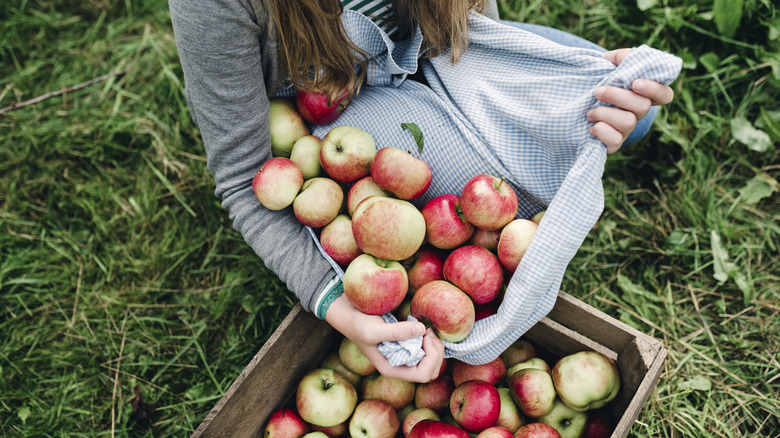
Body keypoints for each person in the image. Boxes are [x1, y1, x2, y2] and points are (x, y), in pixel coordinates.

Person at [168, 0, 675, 383]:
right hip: (333, 107)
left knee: (631, 111)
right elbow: (242, 180)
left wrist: (554, 78)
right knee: (479, 218)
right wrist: (342, 311)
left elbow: (468, 22)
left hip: (431, 50)